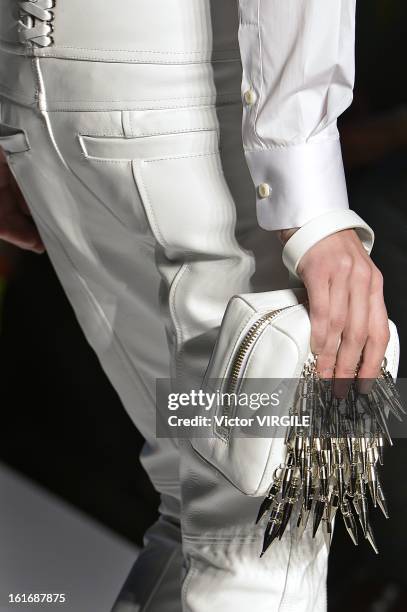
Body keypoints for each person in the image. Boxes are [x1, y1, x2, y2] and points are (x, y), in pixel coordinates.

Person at [0, 1, 390, 610]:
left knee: (201, 505)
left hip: (44, 95)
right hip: (182, 121)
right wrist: (311, 202)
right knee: (259, 534)